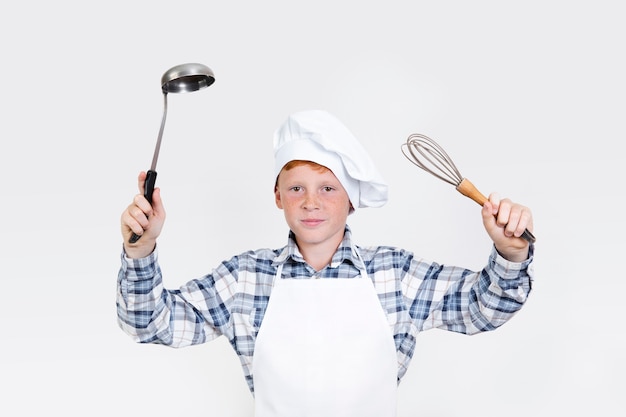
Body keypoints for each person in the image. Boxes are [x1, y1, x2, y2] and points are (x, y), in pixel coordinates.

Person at [117, 109, 534, 417]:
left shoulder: (397, 275)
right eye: (296, 187)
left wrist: (511, 254)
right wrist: (141, 250)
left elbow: (484, 310)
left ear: (351, 199)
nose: (311, 202)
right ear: (278, 196)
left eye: (328, 188)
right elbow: (149, 323)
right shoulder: (245, 279)